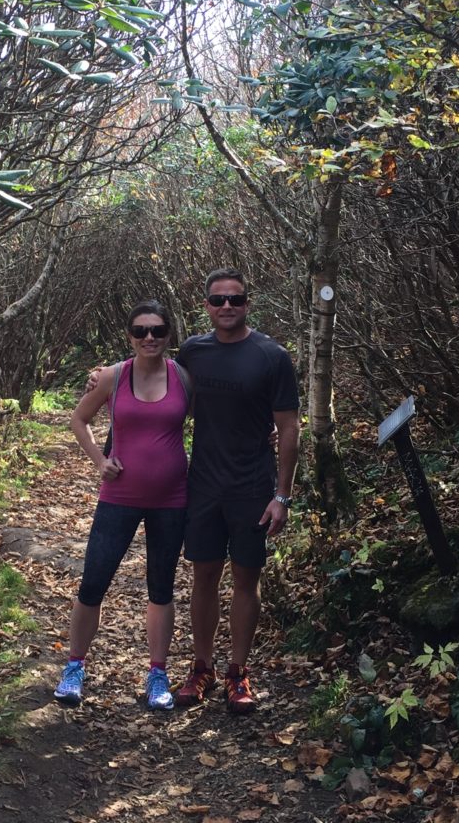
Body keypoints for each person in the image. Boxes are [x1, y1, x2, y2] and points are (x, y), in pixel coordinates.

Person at [53, 300, 192, 711]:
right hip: (119, 497)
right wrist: (100, 461)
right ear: (130, 335)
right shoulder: (115, 376)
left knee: (161, 588)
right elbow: (79, 420)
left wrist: (263, 434)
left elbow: (212, 421)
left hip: (172, 499)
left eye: (157, 330)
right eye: (140, 330)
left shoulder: (183, 377)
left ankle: (157, 674)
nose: (149, 337)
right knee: (93, 582)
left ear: (168, 334)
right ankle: (74, 668)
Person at [173, 267, 299, 714]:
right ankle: (201, 668)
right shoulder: (192, 352)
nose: (227, 307)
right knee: (203, 576)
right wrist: (103, 378)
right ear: (206, 305)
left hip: (251, 487)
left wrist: (282, 495)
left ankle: (238, 672)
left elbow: (288, 429)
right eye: (218, 300)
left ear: (248, 303)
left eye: (236, 299)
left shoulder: (271, 356)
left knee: (246, 578)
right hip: (203, 484)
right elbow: (155, 386)